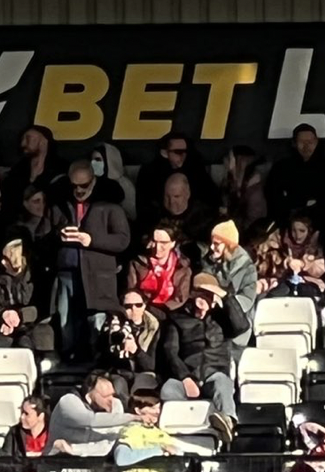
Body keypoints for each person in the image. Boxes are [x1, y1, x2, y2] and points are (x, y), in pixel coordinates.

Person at [48, 160, 130, 360]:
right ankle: (69, 358)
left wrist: (91, 240)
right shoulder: (60, 205)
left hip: (98, 275)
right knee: (66, 322)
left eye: (83, 185)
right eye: (74, 185)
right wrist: (59, 235)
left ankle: (97, 360)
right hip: (67, 272)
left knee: (96, 321)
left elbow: (123, 240)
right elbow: (44, 234)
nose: (78, 190)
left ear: (93, 181)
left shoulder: (111, 207)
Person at [158, 273, 246, 441]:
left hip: (214, 372)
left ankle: (228, 422)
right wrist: (185, 377)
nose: (202, 309)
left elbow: (242, 326)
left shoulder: (221, 318)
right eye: (199, 300)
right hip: (188, 375)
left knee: (222, 383)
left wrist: (225, 297)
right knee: (168, 389)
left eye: (208, 301)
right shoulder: (176, 319)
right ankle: (176, 431)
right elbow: (170, 351)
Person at [265, 124, 325, 226]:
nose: (306, 146)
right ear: (294, 143)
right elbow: (273, 198)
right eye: (301, 142)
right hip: (287, 221)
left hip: (317, 223)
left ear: (316, 142)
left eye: (310, 142)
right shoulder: (281, 168)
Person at [137, 131, 218, 223]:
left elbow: (211, 198)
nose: (183, 156)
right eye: (177, 152)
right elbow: (143, 207)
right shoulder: (150, 172)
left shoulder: (195, 168)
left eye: (185, 152)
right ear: (164, 152)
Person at [202, 220, 257, 347]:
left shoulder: (247, 267)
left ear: (228, 245)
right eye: (211, 243)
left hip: (236, 324)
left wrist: (224, 302)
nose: (211, 247)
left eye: (216, 244)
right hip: (212, 319)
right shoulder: (209, 261)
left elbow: (247, 299)